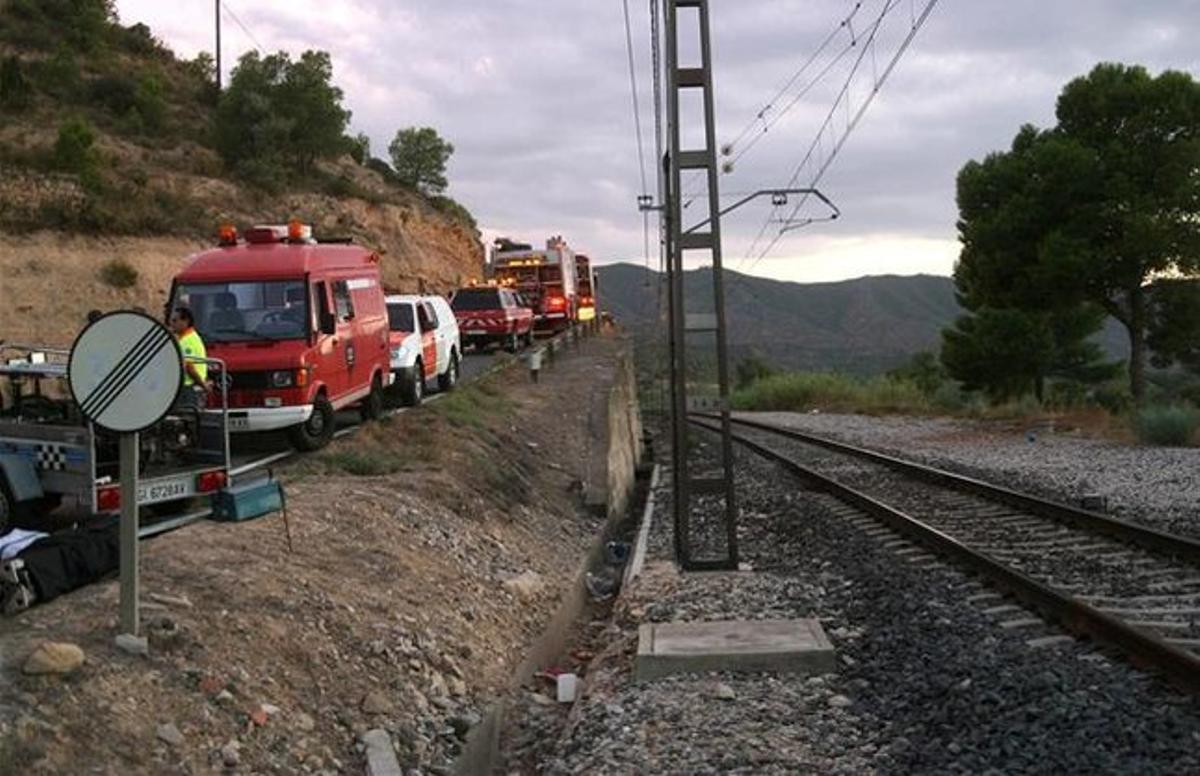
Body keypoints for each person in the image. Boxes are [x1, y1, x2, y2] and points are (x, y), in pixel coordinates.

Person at [169, 306, 208, 411]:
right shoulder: (192, 336)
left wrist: (204, 385)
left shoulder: (186, 342)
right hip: (190, 386)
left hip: (188, 387)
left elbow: (189, 367)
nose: (172, 324)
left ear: (185, 321)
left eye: (175, 320)